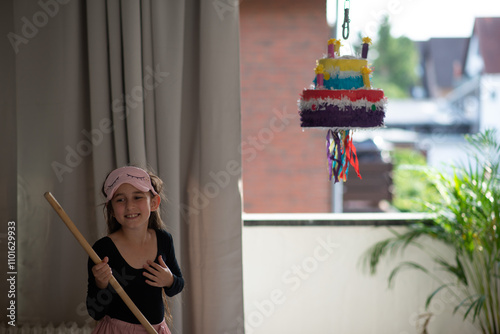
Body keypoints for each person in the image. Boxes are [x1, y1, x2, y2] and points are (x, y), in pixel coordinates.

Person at [86, 166, 184, 334]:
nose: (129, 206)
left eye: (137, 197)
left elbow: (177, 286)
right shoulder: (103, 249)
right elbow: (95, 311)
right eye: (120, 200)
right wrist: (101, 284)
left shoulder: (164, 240)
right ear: (111, 209)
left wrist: (169, 280)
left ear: (154, 203)